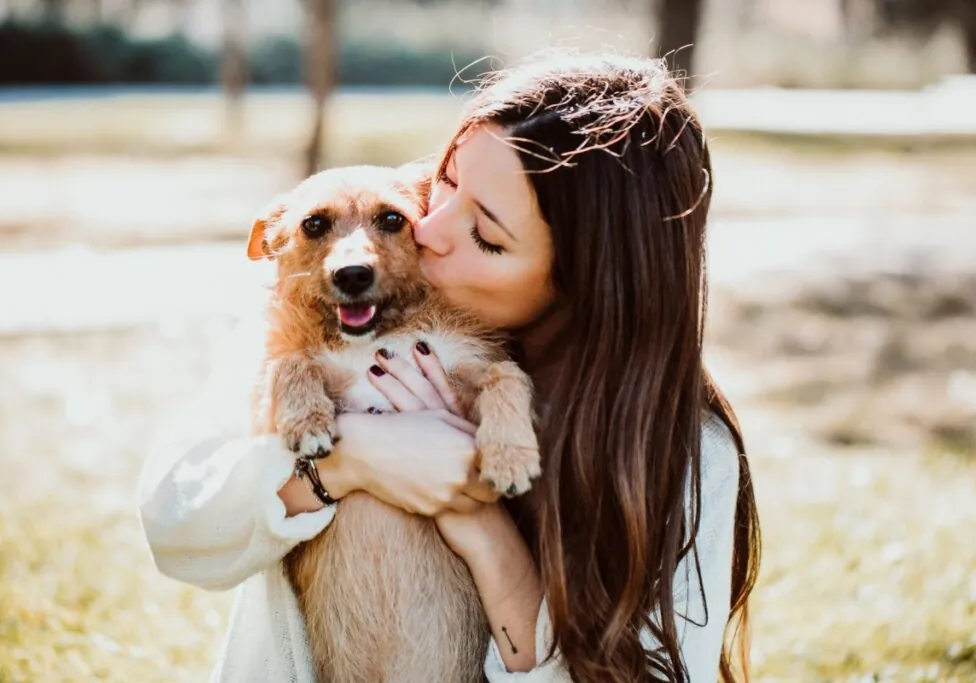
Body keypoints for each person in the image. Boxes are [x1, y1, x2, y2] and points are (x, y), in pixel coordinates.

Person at [137, 51, 761, 683]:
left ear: (585, 281)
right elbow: (173, 519)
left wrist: (480, 524)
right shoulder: (306, 326)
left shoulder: (688, 458)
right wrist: (346, 461)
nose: (429, 230)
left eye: (486, 234)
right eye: (445, 183)